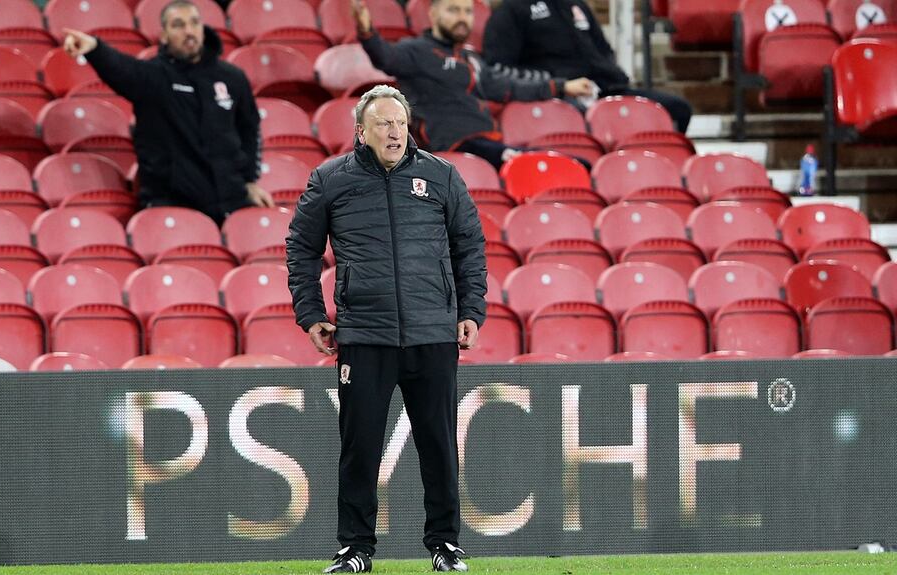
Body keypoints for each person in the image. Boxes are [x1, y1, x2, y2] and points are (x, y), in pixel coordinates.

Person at [286, 85, 487, 573]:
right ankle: (355, 549)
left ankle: (445, 545)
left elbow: (469, 247)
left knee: (439, 446)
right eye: (383, 124)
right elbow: (301, 249)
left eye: (400, 123)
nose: (395, 132)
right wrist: (311, 314)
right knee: (360, 449)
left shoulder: (441, 176)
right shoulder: (330, 179)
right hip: (364, 336)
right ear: (362, 131)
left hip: (432, 333)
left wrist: (471, 310)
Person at [61, 0, 273, 225]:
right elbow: (122, 68)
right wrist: (95, 49)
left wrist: (250, 181)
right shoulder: (153, 77)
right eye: (178, 25)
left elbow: (250, 130)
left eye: (194, 23)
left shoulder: (232, 77)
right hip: (172, 206)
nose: (189, 31)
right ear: (164, 35)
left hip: (231, 202)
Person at [353, 0, 596, 170]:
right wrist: (367, 32)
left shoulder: (471, 58)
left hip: (489, 144)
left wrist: (562, 86)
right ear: (433, 14)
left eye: (467, 11)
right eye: (453, 10)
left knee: (577, 164)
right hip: (455, 146)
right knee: (550, 164)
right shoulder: (415, 51)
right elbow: (385, 57)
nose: (462, 17)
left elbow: (508, 86)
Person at [482, 0, 693, 133]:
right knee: (581, 118)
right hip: (558, 98)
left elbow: (604, 51)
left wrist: (610, 77)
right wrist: (559, 85)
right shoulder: (510, 11)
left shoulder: (576, 5)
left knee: (677, 109)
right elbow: (497, 71)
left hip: (605, 91)